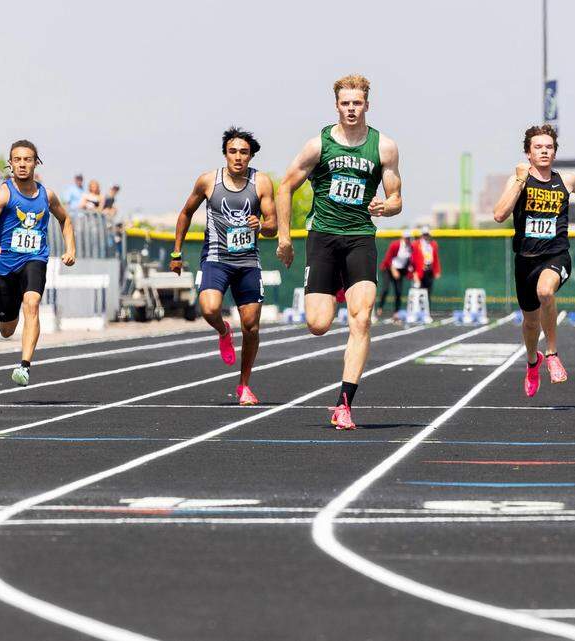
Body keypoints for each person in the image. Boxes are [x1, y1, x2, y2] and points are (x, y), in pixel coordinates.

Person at [275, 74, 403, 429]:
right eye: (345, 103)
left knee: (362, 318)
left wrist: (386, 207)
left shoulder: (384, 147)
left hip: (360, 237)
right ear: (337, 106)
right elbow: (284, 187)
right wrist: (284, 238)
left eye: (357, 103)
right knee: (318, 324)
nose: (351, 109)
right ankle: (329, 291)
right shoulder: (318, 145)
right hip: (323, 237)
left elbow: (396, 198)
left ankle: (344, 403)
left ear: (367, 105)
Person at [493, 124, 575, 397]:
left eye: (549, 147)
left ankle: (551, 354)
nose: (544, 151)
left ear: (554, 152)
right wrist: (519, 181)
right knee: (530, 323)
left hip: (557, 255)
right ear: (528, 153)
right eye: (538, 147)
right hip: (525, 261)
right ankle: (533, 361)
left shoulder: (567, 181)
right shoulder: (518, 180)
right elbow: (499, 214)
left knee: (545, 291)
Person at [170, 127, 277, 405]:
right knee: (209, 309)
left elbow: (273, 225)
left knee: (251, 327)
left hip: (248, 262)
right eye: (233, 152)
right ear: (225, 154)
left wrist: (261, 225)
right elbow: (185, 213)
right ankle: (223, 331)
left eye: (244, 152)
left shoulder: (261, 182)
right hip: (216, 258)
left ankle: (244, 385)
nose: (238, 157)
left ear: (251, 156)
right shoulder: (208, 181)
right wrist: (177, 252)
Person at [0, 139, 76, 386]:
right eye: (17, 160)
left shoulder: (47, 195)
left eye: (27, 159)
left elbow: (65, 220)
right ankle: (13, 324)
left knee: (32, 303)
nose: (22, 164)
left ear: (36, 163)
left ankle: (24, 366)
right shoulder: (4, 193)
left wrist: (70, 249)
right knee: (7, 330)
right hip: (5, 264)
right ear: (10, 164)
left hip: (35, 258)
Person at [377, 229, 419, 316]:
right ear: (402, 238)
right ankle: (380, 308)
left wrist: (413, 273)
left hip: (400, 270)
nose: (408, 240)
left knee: (398, 291)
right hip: (388, 269)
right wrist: (393, 270)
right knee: (385, 289)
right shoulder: (395, 245)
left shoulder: (411, 247)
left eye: (409, 238)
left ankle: (396, 312)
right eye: (406, 238)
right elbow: (388, 259)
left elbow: (411, 262)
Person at [417, 225, 441, 296]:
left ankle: (427, 303)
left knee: (429, 290)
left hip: (429, 269)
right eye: (424, 234)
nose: (425, 236)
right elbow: (414, 258)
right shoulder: (417, 244)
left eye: (427, 234)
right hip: (420, 270)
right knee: (420, 290)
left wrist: (437, 271)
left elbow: (436, 258)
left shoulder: (433, 244)